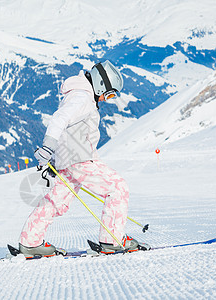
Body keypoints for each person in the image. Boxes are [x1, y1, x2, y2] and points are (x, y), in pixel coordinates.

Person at [18, 60, 140, 258]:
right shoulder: (82, 97)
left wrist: (56, 160)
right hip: (80, 160)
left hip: (69, 160)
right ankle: (112, 241)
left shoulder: (79, 94)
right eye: (108, 94)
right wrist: (48, 148)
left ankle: (30, 242)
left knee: (55, 201)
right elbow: (59, 119)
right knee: (117, 188)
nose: (107, 99)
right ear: (100, 85)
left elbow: (68, 131)